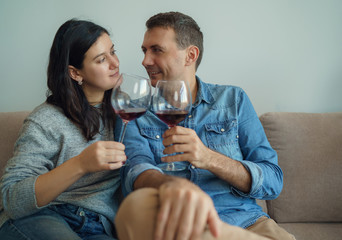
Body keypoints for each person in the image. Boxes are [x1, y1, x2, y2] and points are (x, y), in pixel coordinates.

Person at [115, 12, 295, 240]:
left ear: (190, 55)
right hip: (177, 221)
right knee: (134, 211)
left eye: (156, 50)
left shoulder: (233, 99)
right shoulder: (137, 110)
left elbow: (272, 182)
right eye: (144, 50)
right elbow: (135, 172)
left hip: (246, 223)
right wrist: (169, 184)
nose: (145, 61)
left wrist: (208, 158)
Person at [0, 19, 126, 239]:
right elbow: (11, 199)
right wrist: (80, 164)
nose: (115, 63)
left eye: (113, 52)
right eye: (101, 59)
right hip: (43, 216)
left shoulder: (124, 111)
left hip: (98, 225)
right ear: (75, 73)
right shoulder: (46, 120)